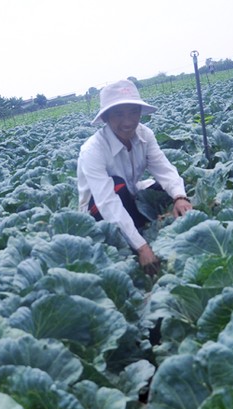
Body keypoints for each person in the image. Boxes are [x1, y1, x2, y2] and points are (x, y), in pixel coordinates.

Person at [77, 79, 193, 274]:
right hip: (98, 211)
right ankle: (138, 237)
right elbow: (108, 203)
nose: (128, 121)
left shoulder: (144, 134)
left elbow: (163, 168)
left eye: (133, 112)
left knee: (167, 191)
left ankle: (146, 225)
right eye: (119, 113)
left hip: (130, 196)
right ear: (105, 117)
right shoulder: (92, 150)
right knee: (117, 185)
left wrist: (180, 197)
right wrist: (142, 247)